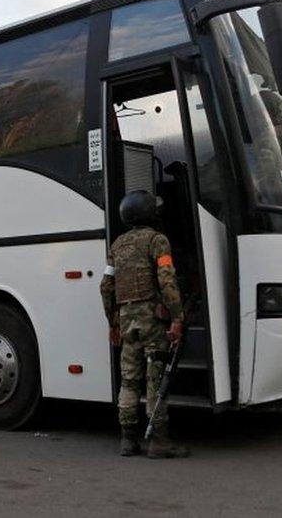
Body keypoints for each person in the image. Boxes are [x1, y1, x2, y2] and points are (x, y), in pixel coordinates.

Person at [100, 191, 189, 459]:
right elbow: (167, 280)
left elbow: (106, 287)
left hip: (126, 319)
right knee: (155, 377)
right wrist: (177, 317)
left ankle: (128, 439)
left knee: (129, 379)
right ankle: (159, 441)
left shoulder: (117, 246)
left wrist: (113, 323)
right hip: (152, 317)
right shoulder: (156, 240)